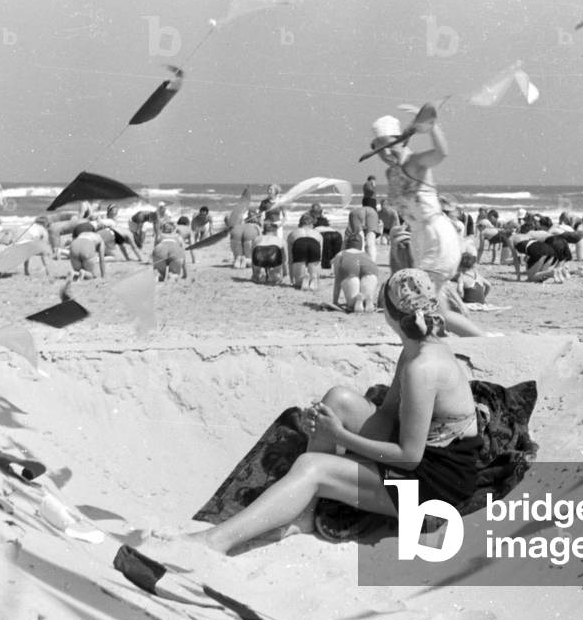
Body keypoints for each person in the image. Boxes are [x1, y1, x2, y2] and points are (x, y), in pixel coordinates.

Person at [154, 269, 482, 557]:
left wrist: (340, 435)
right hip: (430, 460)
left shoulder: (423, 367)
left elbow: (409, 456)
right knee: (337, 399)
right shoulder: (416, 350)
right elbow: (388, 416)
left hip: (436, 487)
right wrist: (329, 422)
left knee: (311, 467)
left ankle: (214, 542)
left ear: (389, 313)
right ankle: (304, 513)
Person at [369, 113, 485, 336]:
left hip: (436, 235)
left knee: (419, 300)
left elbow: (441, 152)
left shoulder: (414, 162)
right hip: (419, 237)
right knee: (433, 306)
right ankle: (480, 341)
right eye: (379, 148)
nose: (385, 153)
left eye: (389, 145)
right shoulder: (391, 171)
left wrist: (432, 126)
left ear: (402, 140)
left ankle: (473, 342)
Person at [331, 232, 379, 312]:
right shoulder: (366, 255)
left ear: (346, 244)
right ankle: (367, 300)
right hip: (371, 268)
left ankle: (356, 301)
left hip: (350, 267)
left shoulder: (340, 254)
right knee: (367, 295)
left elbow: (337, 280)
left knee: (351, 305)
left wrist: (335, 301)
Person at [287, 213, 322, 290]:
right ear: (311, 223)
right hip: (314, 243)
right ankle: (314, 279)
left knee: (298, 282)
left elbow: (290, 258)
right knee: (314, 266)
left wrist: (291, 280)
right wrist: (318, 278)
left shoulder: (292, 233)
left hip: (299, 243)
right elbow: (320, 258)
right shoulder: (317, 234)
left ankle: (302, 279)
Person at [251, 219, 288, 284]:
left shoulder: (256, 239)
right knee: (276, 278)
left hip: (259, 261)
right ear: (275, 231)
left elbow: (252, 256)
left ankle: (259, 274)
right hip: (273, 261)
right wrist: (285, 273)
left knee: (258, 276)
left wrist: (254, 273)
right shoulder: (280, 240)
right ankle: (274, 274)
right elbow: (285, 259)